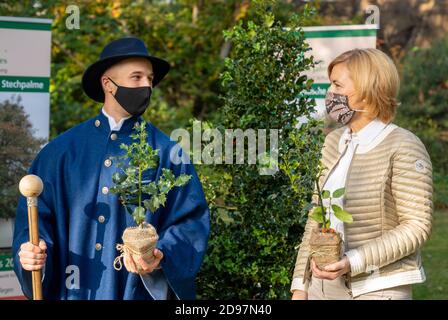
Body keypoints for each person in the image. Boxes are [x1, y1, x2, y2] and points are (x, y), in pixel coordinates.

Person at [13, 37, 210, 300]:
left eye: (149, 79)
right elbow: (35, 223)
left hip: (134, 292)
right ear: (108, 84)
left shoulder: (167, 152)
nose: (147, 86)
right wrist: (32, 253)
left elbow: (191, 221)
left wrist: (162, 253)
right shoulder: (58, 153)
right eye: (136, 77)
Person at [291, 48, 433, 300]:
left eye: (337, 85)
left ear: (367, 93)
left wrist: (352, 261)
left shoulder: (403, 145)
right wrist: (300, 286)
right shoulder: (333, 141)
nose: (329, 94)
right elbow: (317, 217)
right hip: (322, 288)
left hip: (377, 288)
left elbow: (416, 226)